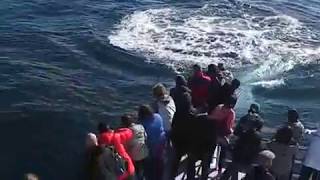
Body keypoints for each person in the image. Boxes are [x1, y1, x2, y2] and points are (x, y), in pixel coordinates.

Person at [170, 75, 195, 179]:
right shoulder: (188, 95)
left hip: (176, 132)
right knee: (190, 156)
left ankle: (172, 173)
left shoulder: (173, 91)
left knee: (177, 155)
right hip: (186, 134)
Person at [208, 96, 237, 173]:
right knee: (223, 153)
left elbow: (211, 117)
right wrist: (232, 131)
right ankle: (219, 169)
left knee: (210, 150)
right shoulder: (231, 113)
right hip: (222, 137)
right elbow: (228, 127)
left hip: (213, 134)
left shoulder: (219, 107)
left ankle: (207, 166)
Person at [138, 105, 165, 180]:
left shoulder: (143, 124)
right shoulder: (158, 116)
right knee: (159, 163)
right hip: (162, 143)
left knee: (150, 166)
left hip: (152, 147)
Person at [121, 114, 149, 180]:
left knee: (136, 170)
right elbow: (146, 137)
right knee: (142, 168)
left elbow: (126, 146)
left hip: (135, 156)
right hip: (145, 152)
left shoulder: (126, 132)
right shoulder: (140, 126)